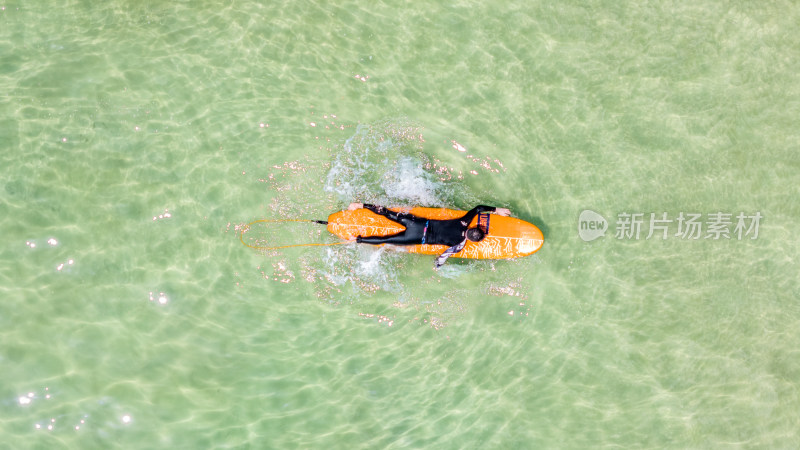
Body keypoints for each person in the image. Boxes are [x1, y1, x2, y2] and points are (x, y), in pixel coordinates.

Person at [347, 203, 511, 269]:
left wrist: (498, 210)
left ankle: (359, 205)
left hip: (419, 224)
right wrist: (438, 266)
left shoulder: (463, 222)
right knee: (386, 240)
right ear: (472, 239)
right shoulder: (459, 245)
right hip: (417, 239)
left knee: (389, 214)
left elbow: (478, 208)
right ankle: (357, 239)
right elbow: (442, 257)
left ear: (474, 227)